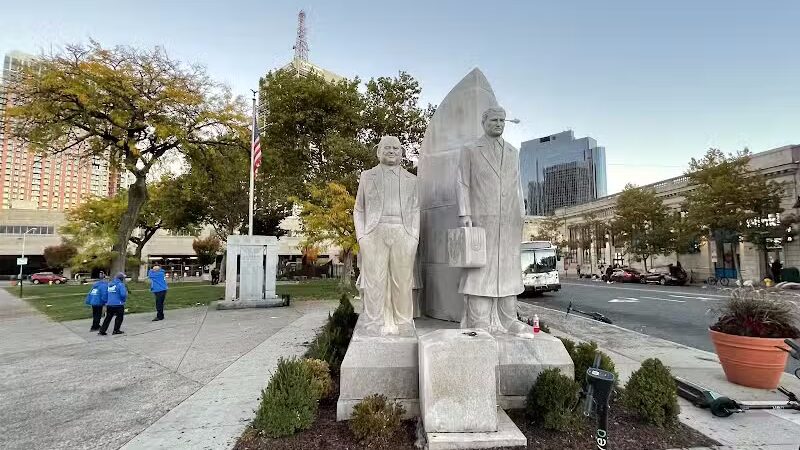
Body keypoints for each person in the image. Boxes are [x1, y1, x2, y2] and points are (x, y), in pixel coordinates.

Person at [456, 106, 533, 338]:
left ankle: (509, 319)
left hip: (508, 220)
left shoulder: (512, 151)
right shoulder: (470, 149)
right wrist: (464, 214)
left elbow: (517, 186)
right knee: (481, 268)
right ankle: (479, 320)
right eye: (494, 120)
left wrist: (521, 213)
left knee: (507, 269)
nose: (499, 124)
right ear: (484, 121)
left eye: (502, 120)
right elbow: (462, 182)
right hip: (481, 219)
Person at [353, 135, 419, 336]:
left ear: (401, 153)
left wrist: (413, 237)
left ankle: (404, 321)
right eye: (387, 148)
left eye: (396, 148)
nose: (391, 151)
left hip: (403, 232)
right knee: (375, 279)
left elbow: (416, 210)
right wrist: (362, 237)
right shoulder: (367, 176)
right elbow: (359, 209)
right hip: (374, 232)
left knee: (402, 280)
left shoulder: (412, 180)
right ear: (378, 152)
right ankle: (374, 320)